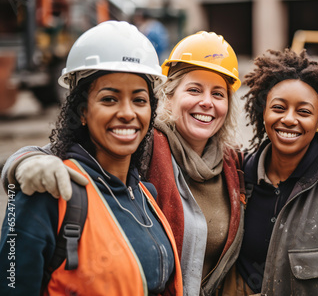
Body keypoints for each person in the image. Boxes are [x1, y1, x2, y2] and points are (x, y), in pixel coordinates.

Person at [1, 31, 244, 296]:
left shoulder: (144, 195)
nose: (128, 113)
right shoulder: (54, 190)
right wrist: (23, 163)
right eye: (109, 99)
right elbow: (12, 281)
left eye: (139, 100)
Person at [226, 49, 318, 295]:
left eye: (304, 112)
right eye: (278, 108)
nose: (289, 119)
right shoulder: (240, 174)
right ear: (264, 113)